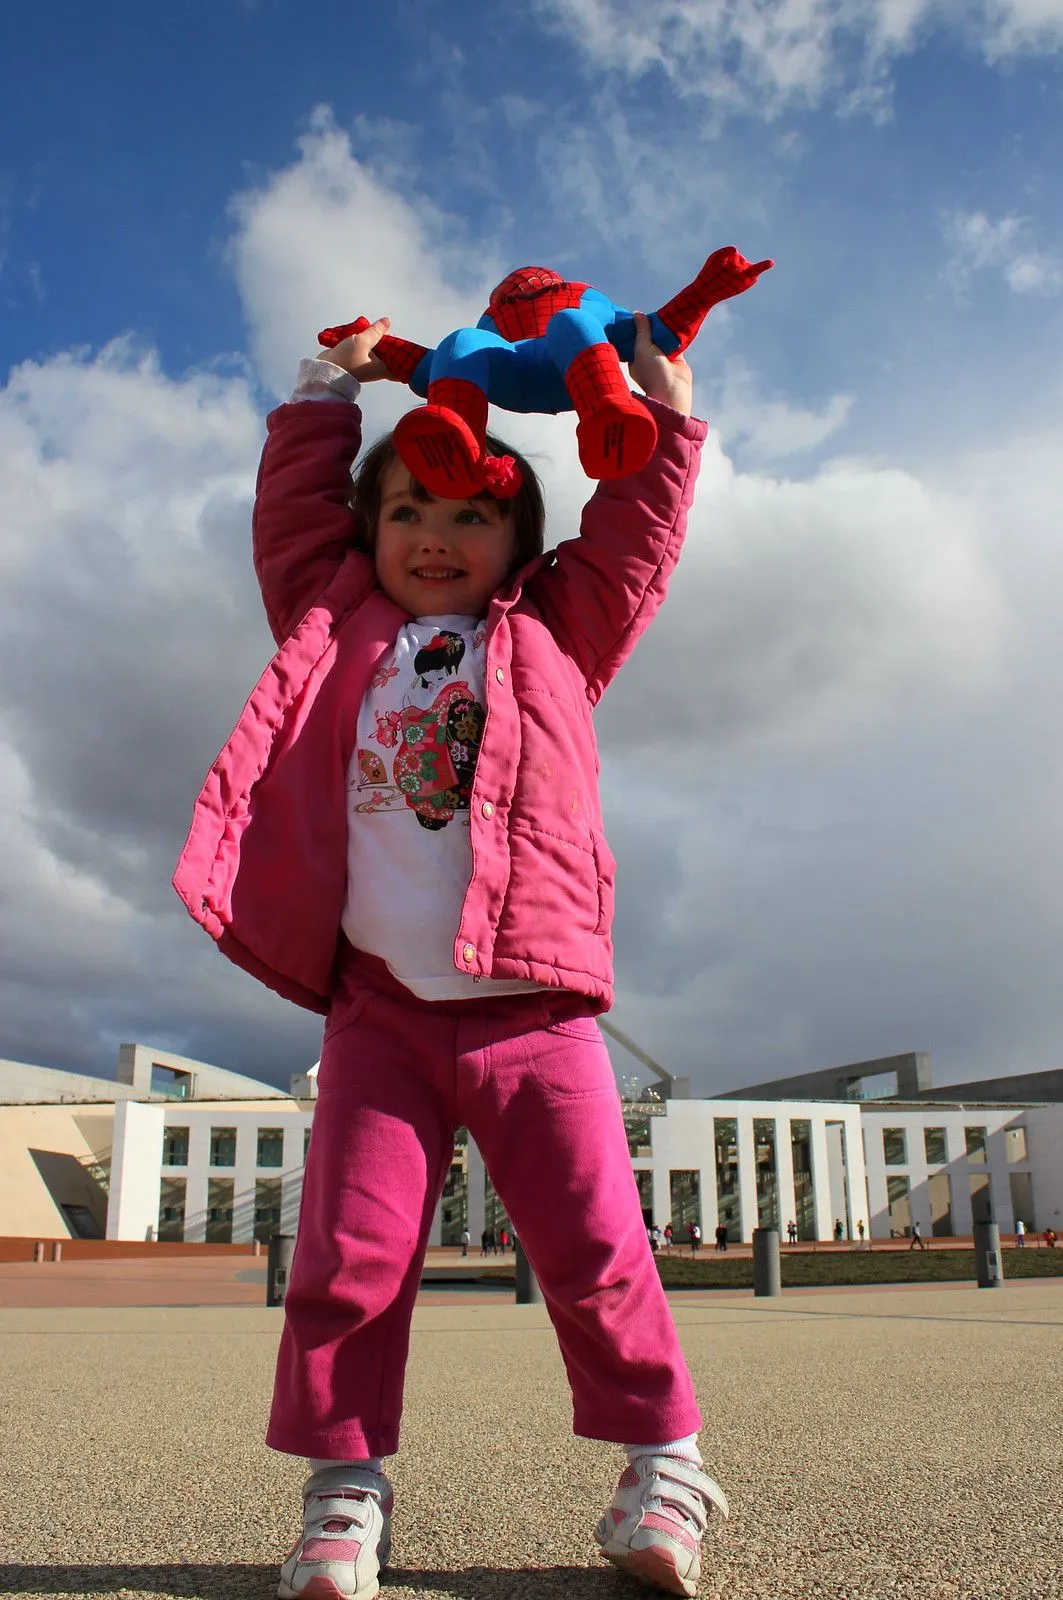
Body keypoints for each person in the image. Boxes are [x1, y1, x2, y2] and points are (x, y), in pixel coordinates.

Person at [173, 310, 730, 1600]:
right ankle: (343, 1491)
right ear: (369, 535)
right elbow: (293, 518)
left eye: (474, 515)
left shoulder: (556, 639)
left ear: (520, 546)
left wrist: (666, 413)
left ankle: (662, 1464)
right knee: (348, 1261)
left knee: (598, 1246)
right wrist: (325, 395)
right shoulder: (335, 624)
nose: (436, 535)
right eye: (410, 507)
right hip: (379, 1017)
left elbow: (636, 536)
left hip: (533, 1012)